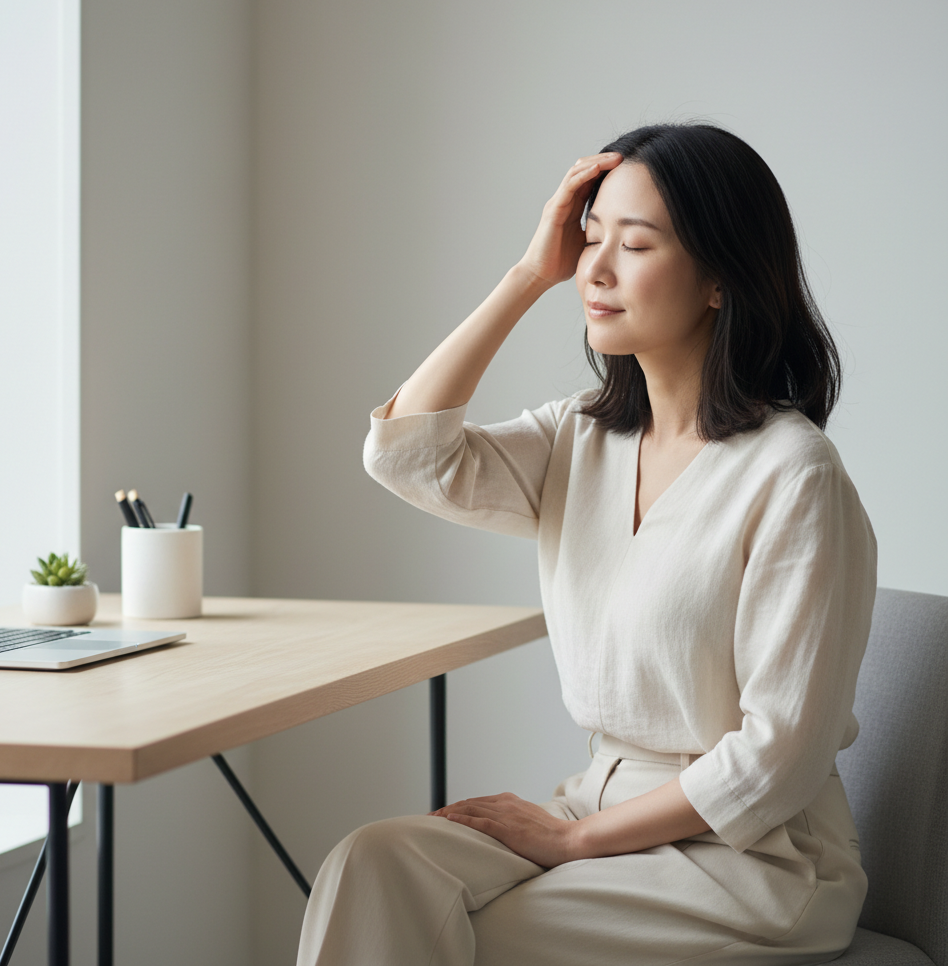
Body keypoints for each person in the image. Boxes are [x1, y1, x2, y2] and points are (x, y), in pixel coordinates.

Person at [297, 123, 877, 966]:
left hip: (755, 860)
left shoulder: (794, 476)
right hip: (595, 812)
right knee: (374, 862)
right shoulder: (583, 437)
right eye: (589, 239)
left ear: (720, 279)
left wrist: (577, 844)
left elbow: (777, 760)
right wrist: (530, 273)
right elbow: (407, 456)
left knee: (459, 932)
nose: (594, 271)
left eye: (633, 245)